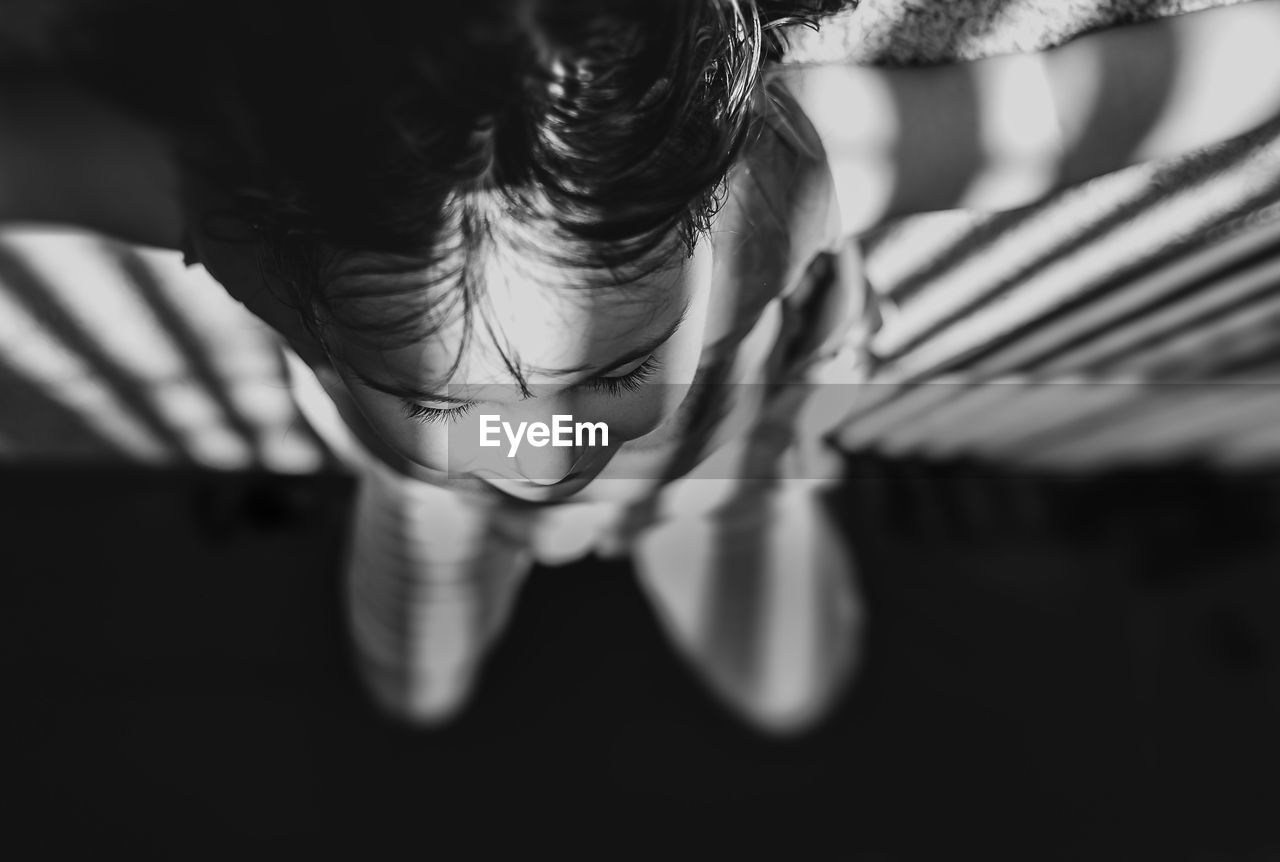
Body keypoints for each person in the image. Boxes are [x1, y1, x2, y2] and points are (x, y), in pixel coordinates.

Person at [5, 0, 1280, 731]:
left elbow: (1100, 110)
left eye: (610, 367)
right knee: (414, 683)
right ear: (242, 276)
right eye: (438, 386)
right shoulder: (225, 209)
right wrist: (450, 451)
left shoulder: (790, 177)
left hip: (727, 458)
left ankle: (640, 516)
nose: (534, 427)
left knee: (786, 684)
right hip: (432, 493)